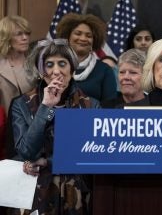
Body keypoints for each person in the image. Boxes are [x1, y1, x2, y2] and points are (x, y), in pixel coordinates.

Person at [8, 39, 100, 215]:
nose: (56, 71)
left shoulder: (91, 105)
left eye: (62, 64)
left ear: (72, 70)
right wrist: (46, 106)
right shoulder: (21, 104)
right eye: (49, 65)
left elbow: (89, 155)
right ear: (42, 72)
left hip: (75, 193)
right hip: (34, 190)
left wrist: (46, 162)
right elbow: (27, 151)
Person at [56, 13, 117, 101]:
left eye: (89, 36)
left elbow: (110, 106)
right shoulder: (55, 67)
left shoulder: (104, 70)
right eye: (78, 33)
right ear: (67, 37)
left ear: (94, 41)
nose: (83, 38)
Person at [0, 16, 35, 115]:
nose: (25, 38)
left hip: (36, 126)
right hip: (7, 127)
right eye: (19, 34)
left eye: (27, 33)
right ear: (7, 37)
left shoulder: (36, 65)